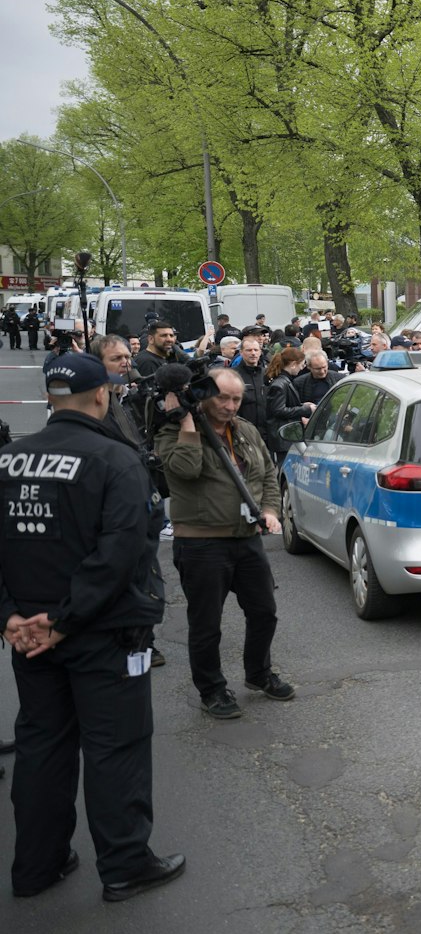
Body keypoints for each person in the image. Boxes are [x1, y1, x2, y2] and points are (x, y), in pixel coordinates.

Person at [2, 353, 185, 902]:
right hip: (102, 634)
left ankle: (36, 865)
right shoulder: (115, 460)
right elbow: (121, 552)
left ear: (49, 398)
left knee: (41, 746)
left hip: (30, 638)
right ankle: (126, 863)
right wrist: (61, 621)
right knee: (115, 748)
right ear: (102, 395)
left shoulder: (8, 460)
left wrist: (13, 617)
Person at [156, 368, 289, 720]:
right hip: (201, 545)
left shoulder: (244, 430)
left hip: (246, 541)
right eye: (223, 398)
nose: (231, 406)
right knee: (206, 624)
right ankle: (212, 690)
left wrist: (271, 510)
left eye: (237, 399)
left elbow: (266, 475)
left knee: (264, 612)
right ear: (203, 396)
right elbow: (185, 469)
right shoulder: (173, 432)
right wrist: (186, 423)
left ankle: (259, 674)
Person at [263, 346, 314, 469]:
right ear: (293, 364)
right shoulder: (280, 385)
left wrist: (302, 406)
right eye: (302, 364)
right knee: (286, 468)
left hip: (288, 433)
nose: (303, 368)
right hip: (284, 435)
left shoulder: (282, 382)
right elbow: (279, 410)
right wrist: (306, 409)